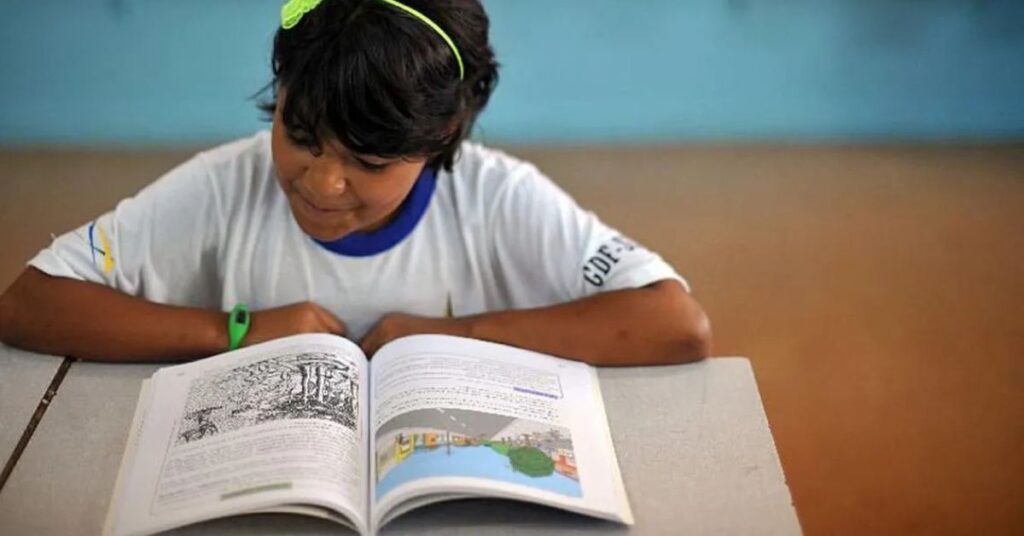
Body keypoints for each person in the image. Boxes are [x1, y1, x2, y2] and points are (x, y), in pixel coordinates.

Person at [0, 0, 710, 365]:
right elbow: (28, 304)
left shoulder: (495, 198)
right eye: (300, 135)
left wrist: (452, 335)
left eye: (369, 163)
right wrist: (233, 331)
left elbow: (676, 324)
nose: (323, 183)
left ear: (439, 143)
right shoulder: (227, 186)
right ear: (279, 98)